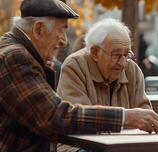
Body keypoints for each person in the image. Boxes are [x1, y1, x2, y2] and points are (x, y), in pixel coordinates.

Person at [0, 0, 158, 151]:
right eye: (61, 31)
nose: (64, 41)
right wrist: (125, 117)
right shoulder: (15, 58)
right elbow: (55, 117)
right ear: (38, 29)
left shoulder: (14, 50)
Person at [56, 18, 152, 151]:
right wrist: (125, 118)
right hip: (79, 146)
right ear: (95, 52)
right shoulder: (74, 66)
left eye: (127, 54)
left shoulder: (132, 70)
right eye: (116, 55)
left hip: (124, 146)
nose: (123, 62)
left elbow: (145, 115)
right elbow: (81, 121)